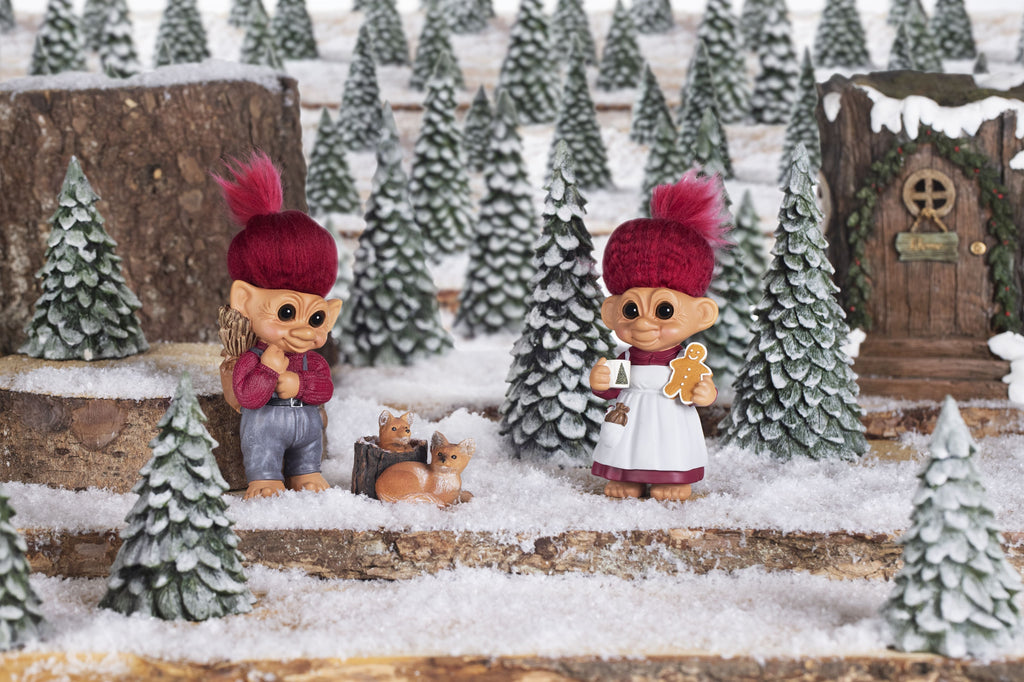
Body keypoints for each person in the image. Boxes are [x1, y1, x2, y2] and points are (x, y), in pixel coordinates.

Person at [589, 171, 729, 501]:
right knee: (628, 449)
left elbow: (702, 391)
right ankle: (629, 478)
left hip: (671, 415)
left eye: (664, 310)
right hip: (631, 415)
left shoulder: (685, 361)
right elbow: (612, 389)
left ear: (702, 314)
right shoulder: (627, 358)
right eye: (631, 310)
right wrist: (601, 381)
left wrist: (704, 392)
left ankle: (672, 478)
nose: (644, 324)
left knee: (670, 447)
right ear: (611, 312)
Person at [214, 152, 342, 499]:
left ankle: (306, 471)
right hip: (265, 425)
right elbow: (248, 397)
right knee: (261, 447)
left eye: (316, 318)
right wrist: (268, 371)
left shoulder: (311, 361)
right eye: (287, 312)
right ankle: (265, 476)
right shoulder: (253, 358)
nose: (304, 329)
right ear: (244, 301)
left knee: (308, 452)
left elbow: (324, 389)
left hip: (306, 428)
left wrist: (300, 383)